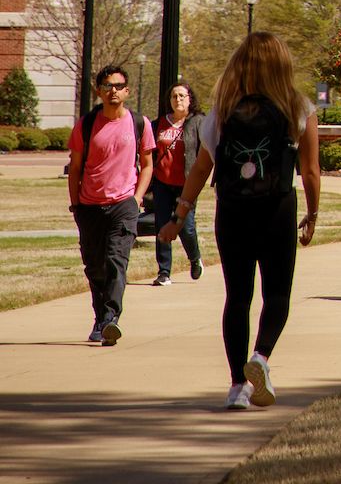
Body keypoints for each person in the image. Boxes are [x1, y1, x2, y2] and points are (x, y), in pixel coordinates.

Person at [165, 33, 320, 411]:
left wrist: (179, 214)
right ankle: (261, 358)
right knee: (277, 294)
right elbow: (311, 170)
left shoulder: (221, 111)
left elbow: (202, 169)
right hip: (277, 208)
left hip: (232, 210)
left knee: (237, 296)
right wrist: (312, 214)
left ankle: (237, 386)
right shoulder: (297, 107)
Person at [65, 62, 153, 346]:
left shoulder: (139, 123)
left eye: (118, 86)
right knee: (94, 266)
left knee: (117, 261)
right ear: (99, 91)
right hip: (90, 206)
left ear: (127, 91)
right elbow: (75, 168)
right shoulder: (87, 125)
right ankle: (100, 316)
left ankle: (111, 319)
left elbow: (148, 164)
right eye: (107, 86)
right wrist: (76, 205)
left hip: (123, 204)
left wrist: (137, 198)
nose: (112, 91)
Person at [149, 81, 202, 286]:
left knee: (185, 227)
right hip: (162, 182)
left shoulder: (198, 123)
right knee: (162, 225)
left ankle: (194, 258)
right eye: (174, 96)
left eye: (182, 96)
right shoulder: (158, 124)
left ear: (190, 99)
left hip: (186, 184)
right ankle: (164, 271)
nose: (178, 100)